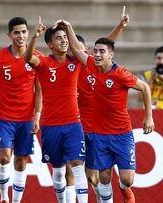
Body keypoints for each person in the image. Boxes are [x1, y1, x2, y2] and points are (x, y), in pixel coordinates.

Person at [62, 19, 155, 203]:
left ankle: (123, 189)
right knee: (103, 178)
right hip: (99, 135)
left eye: (101, 51)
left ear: (110, 55)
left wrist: (148, 117)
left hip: (122, 133)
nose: (97, 54)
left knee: (127, 180)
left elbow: (145, 87)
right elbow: (78, 49)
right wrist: (69, 27)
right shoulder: (90, 66)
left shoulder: (120, 74)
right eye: (95, 51)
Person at [65, 10, 130, 203]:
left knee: (96, 176)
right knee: (73, 168)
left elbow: (107, 43)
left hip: (100, 127)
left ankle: (106, 196)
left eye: (85, 50)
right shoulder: (67, 66)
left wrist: (119, 26)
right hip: (79, 125)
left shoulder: (95, 65)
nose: (79, 52)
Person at [24, 17, 88, 203]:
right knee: (58, 170)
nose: (64, 40)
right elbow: (28, 58)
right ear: (51, 44)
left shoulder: (75, 61)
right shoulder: (44, 63)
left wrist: (69, 27)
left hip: (74, 124)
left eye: (65, 37)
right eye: (59, 38)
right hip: (51, 125)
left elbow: (81, 50)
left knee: (77, 165)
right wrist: (34, 37)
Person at [0, 17, 42, 203]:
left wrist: (37, 116)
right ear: (9, 35)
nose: (21, 36)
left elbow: (39, 90)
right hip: (4, 117)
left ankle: (16, 201)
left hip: (26, 118)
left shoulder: (36, 57)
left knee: (21, 161)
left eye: (24, 32)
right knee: (4, 158)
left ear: (28, 33)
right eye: (17, 32)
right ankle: (4, 197)